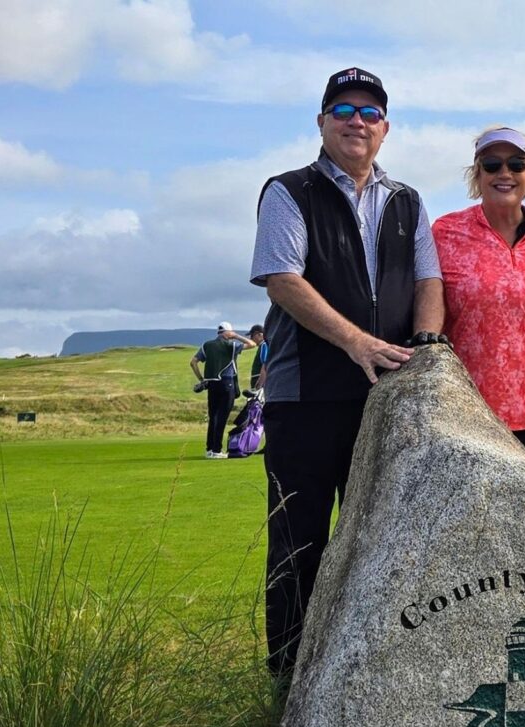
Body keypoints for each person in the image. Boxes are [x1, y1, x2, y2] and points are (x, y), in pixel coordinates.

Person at [250, 67, 444, 677]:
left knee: (383, 543)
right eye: (343, 110)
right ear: (322, 122)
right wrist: (357, 341)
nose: (356, 121)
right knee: (299, 545)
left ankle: (368, 678)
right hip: (305, 396)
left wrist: (429, 343)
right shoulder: (288, 190)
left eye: (369, 112)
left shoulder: (406, 200)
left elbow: (427, 280)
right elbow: (283, 279)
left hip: (384, 398)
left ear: (384, 128)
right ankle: (291, 679)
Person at [432, 127, 525, 473]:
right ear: (477, 175)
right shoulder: (444, 233)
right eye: (492, 164)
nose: (505, 173)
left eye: (517, 163)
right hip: (467, 412)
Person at [190, 322, 256, 458]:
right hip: (226, 383)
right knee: (221, 417)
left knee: (213, 417)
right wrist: (237, 336)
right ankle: (217, 450)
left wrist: (201, 379)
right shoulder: (230, 345)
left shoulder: (207, 345)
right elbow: (252, 344)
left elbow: (193, 362)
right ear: (228, 332)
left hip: (211, 384)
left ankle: (210, 449)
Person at [248, 324, 268, 390]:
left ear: (260, 335)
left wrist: (260, 384)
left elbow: (265, 365)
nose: (251, 338)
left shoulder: (264, 345)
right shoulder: (261, 346)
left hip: (260, 381)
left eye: (252, 335)